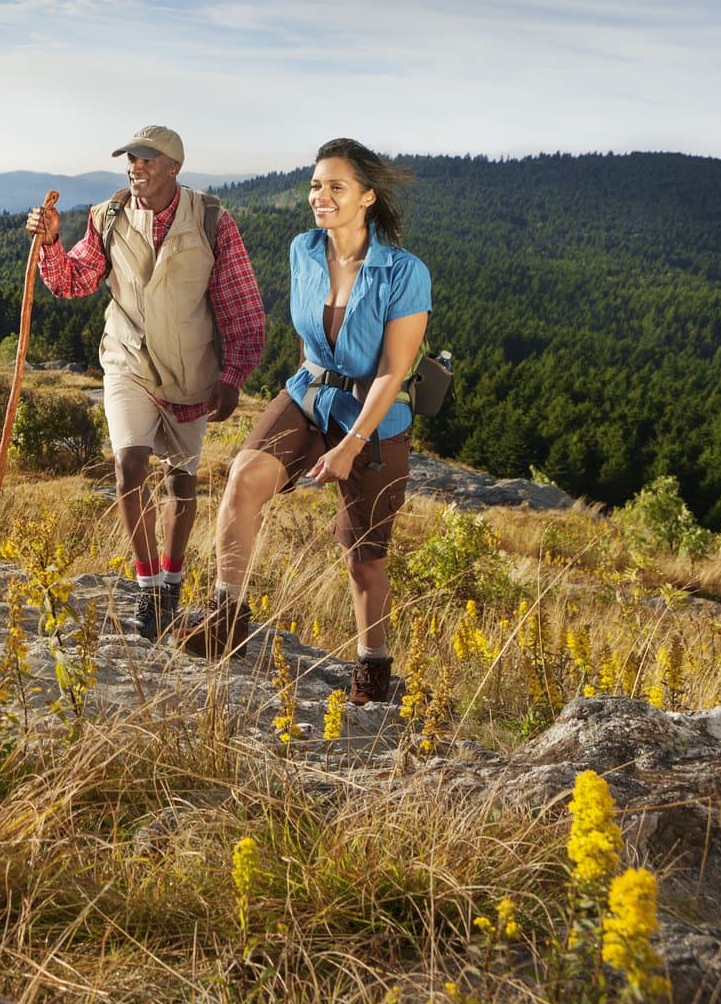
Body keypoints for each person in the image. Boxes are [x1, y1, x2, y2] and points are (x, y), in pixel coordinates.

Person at [191, 138, 430, 705]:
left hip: (373, 415)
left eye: (336, 187)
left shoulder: (403, 271)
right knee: (242, 478)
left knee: (364, 557)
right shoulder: (303, 248)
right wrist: (304, 402)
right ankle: (226, 618)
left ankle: (372, 670)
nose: (321, 197)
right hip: (309, 391)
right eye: (316, 185)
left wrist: (350, 444)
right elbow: (310, 334)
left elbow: (395, 372)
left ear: (367, 197)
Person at [25, 125, 265, 640]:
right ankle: (148, 589)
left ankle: (172, 583)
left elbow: (239, 300)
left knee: (182, 483)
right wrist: (50, 244)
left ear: (173, 168)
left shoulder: (212, 220)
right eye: (131, 159)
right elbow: (75, 280)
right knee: (129, 465)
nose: (135, 167)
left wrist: (232, 375)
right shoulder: (107, 217)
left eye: (147, 160)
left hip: (190, 369)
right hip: (127, 359)